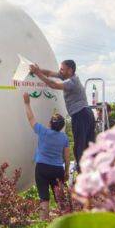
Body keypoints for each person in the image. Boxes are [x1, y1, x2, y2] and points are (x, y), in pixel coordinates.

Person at [29, 59, 95, 172]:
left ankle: (82, 173)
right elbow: (50, 73)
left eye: (62, 69)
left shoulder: (72, 83)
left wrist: (37, 73)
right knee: (86, 145)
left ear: (70, 70)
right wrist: (37, 70)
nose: (60, 71)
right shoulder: (67, 76)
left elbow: (53, 84)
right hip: (86, 113)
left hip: (81, 115)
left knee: (80, 145)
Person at [22, 92, 70, 220]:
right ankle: (64, 222)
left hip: (42, 168)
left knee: (44, 198)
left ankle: (42, 225)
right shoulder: (64, 138)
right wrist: (66, 172)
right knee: (60, 198)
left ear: (50, 123)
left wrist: (27, 103)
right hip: (57, 169)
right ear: (61, 127)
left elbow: (31, 119)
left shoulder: (43, 131)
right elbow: (66, 157)